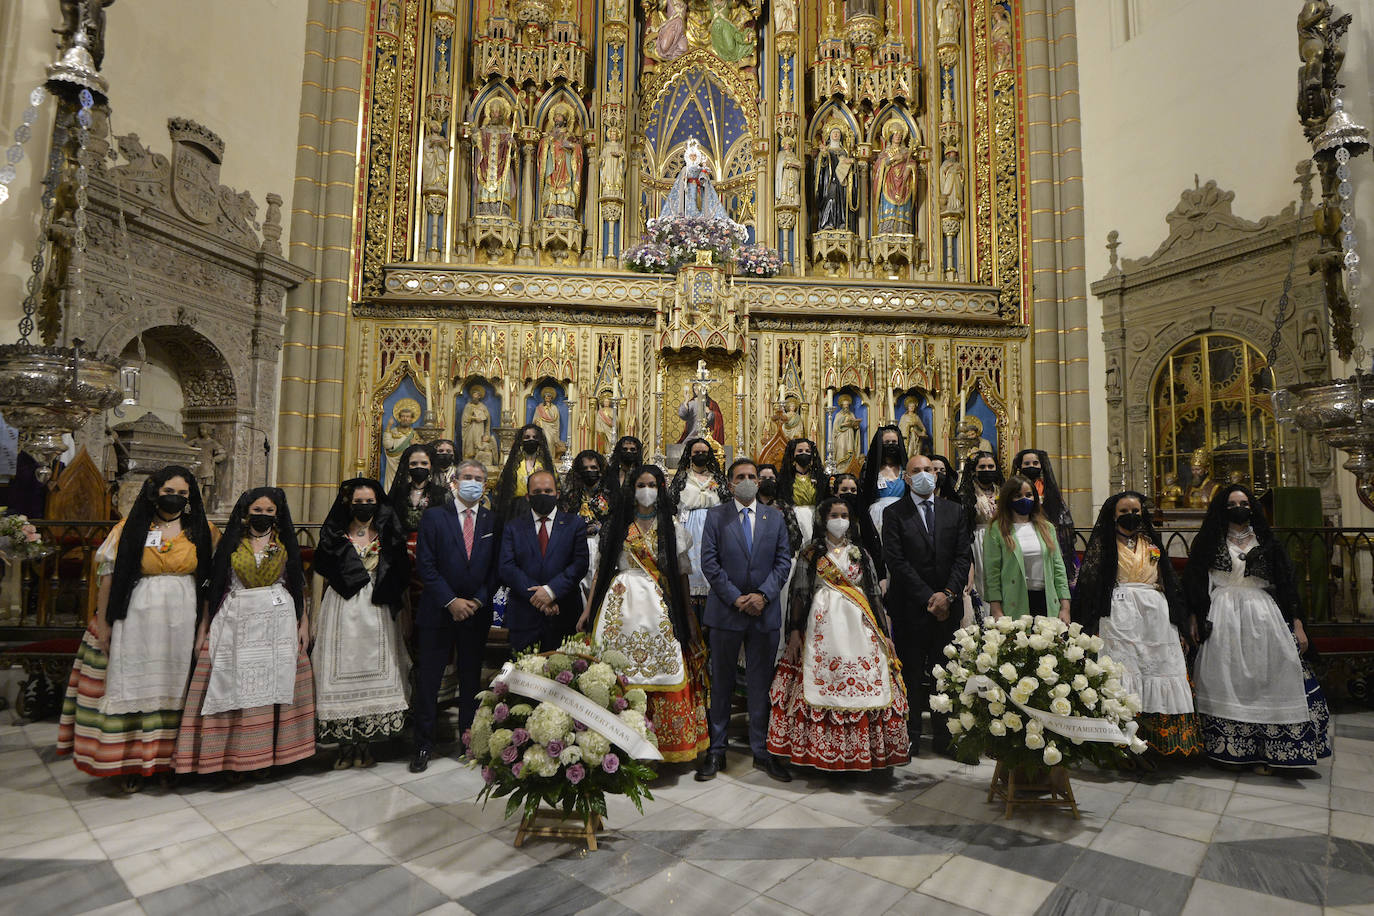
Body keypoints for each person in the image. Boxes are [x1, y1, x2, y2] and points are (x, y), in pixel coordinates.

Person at [56, 467, 218, 792]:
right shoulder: (130, 528)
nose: (177, 498)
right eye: (170, 490)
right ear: (154, 491)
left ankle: (166, 762)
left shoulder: (203, 530)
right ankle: (129, 763)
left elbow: (210, 583)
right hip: (136, 619)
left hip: (182, 622)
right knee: (135, 685)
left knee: (175, 689)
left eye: (184, 494)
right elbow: (108, 574)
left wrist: (204, 627)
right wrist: (103, 622)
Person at [1184, 486, 1331, 773]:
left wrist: (1298, 624)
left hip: (1264, 617)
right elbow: (1193, 582)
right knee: (1228, 679)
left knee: (1271, 677)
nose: (1239, 507)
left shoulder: (1268, 541)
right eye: (1232, 503)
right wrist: (1193, 616)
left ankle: (1276, 751)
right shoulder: (1208, 541)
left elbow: (1288, 585)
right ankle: (1235, 751)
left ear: (1252, 506)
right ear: (1221, 508)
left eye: (1244, 502)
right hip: (1222, 613)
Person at [173, 488, 315, 777]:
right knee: (231, 684)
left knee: (274, 686)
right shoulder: (231, 544)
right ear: (246, 512)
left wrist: (304, 623)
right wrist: (204, 627)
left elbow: (298, 586)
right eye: (257, 511)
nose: (262, 516)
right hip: (234, 621)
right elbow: (214, 588)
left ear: (278, 516)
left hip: (278, 625)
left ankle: (268, 757)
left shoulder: (284, 545)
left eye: (269, 512)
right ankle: (230, 756)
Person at [768, 497, 909, 771]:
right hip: (821, 626)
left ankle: (865, 752)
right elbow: (798, 594)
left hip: (861, 627)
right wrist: (795, 631)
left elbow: (873, 594)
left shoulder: (861, 553)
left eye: (844, 514)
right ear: (823, 518)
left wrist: (884, 631)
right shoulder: (811, 554)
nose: (840, 520)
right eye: (834, 514)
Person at [580, 465, 708, 763]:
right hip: (620, 606)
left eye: (652, 484)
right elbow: (600, 571)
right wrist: (588, 609)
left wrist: (688, 614)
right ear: (632, 488)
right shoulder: (617, 526)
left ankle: (664, 744)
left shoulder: (671, 527)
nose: (646, 490)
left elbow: (682, 574)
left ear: (660, 488)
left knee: (665, 667)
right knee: (616, 669)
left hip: (661, 608)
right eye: (641, 484)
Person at [1073, 492, 1201, 760]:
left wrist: (1178, 619)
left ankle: (1158, 744)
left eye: (1135, 510)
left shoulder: (1150, 542)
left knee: (1157, 669)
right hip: (1118, 618)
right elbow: (1091, 584)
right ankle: (1120, 747)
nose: (1130, 515)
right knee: (1124, 673)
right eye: (1123, 511)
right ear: (1113, 514)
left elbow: (1168, 579)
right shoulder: (1104, 544)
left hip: (1156, 618)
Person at [697, 459, 795, 782]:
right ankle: (717, 750)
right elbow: (709, 562)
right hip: (727, 611)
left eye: (752, 476)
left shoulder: (775, 517)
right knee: (722, 683)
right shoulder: (716, 516)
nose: (749, 481)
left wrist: (764, 595)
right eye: (741, 476)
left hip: (764, 612)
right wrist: (736, 597)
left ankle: (761, 750)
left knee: (760, 684)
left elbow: (783, 561)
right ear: (730, 482)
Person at [311, 479, 411, 769]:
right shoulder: (334, 534)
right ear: (348, 503)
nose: (364, 506)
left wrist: (405, 617)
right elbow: (319, 572)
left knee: (372, 671)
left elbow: (401, 577)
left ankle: (365, 746)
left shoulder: (388, 533)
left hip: (378, 610)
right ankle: (344, 746)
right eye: (359, 501)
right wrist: (314, 616)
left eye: (370, 501)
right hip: (341, 608)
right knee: (340, 670)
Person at [412, 459, 498, 773]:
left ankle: (468, 741)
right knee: (430, 680)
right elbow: (426, 564)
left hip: (475, 613)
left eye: (478, 478)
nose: (472, 482)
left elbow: (495, 568)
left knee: (471, 680)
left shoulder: (491, 520)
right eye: (467, 477)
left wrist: (476, 599)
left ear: (485, 486)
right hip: (438, 610)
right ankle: (423, 744)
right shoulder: (434, 517)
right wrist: (451, 601)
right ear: (455, 482)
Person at [881, 454, 971, 753]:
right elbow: (896, 560)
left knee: (944, 673)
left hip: (948, 606)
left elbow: (962, 557)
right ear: (906, 478)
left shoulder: (954, 511)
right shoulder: (895, 513)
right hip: (910, 606)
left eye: (929, 470)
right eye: (916, 471)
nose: (924, 475)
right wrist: (928, 596)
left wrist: (947, 594)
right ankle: (911, 737)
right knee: (910, 673)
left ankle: (945, 738)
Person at [498, 469, 590, 653]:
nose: (543, 495)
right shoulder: (513, 527)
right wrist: (539, 597)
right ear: (527, 496)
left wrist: (551, 591)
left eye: (548, 491)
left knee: (564, 677)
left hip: (564, 611)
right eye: (537, 492)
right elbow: (507, 567)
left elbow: (580, 564)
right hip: (524, 614)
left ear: (557, 494)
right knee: (522, 676)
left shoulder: (575, 524)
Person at [983, 475, 1071, 623]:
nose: (1024, 499)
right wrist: (996, 609)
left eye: (1028, 495)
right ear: (1008, 499)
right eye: (1018, 496)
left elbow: (1058, 568)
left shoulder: (1047, 528)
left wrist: (1065, 607)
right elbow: (992, 574)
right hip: (1014, 600)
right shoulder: (996, 529)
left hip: (1046, 598)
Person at [670, 437, 727, 610]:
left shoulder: (717, 478)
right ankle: (691, 597)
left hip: (714, 523)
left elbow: (726, 503)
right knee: (692, 560)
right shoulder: (682, 478)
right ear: (689, 455)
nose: (700, 455)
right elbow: (672, 504)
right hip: (689, 524)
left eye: (704, 453)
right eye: (697, 453)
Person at [1011, 448, 1077, 585]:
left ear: (1041, 466)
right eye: (1027, 464)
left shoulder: (1048, 490)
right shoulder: (1013, 489)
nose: (1031, 467)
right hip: (1020, 536)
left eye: (1035, 463)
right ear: (1020, 466)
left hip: (1047, 537)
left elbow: (1061, 517)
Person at [957, 450, 1003, 619]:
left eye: (991, 466)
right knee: (982, 584)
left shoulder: (1003, 490)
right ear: (974, 470)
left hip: (1002, 540)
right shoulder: (967, 494)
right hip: (978, 542)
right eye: (982, 466)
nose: (987, 469)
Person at [493, 424, 555, 526]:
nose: (531, 440)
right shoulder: (514, 464)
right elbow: (504, 490)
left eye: (535, 437)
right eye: (527, 437)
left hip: (541, 507)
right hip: (516, 510)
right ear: (521, 440)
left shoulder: (545, 465)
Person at [388, 442, 451, 535]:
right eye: (414, 464)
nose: (419, 467)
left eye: (424, 463)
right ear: (407, 466)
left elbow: (448, 525)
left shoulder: (442, 494)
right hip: (400, 546)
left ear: (431, 466)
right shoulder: (398, 493)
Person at [859, 426, 907, 538]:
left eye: (894, 442)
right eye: (887, 442)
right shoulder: (871, 470)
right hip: (877, 514)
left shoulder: (905, 469)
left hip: (902, 513)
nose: (891, 445)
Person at [778, 437, 829, 538]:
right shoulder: (785, 478)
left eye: (807, 451)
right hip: (792, 519)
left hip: (815, 518)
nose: (804, 453)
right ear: (793, 454)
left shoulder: (820, 478)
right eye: (800, 451)